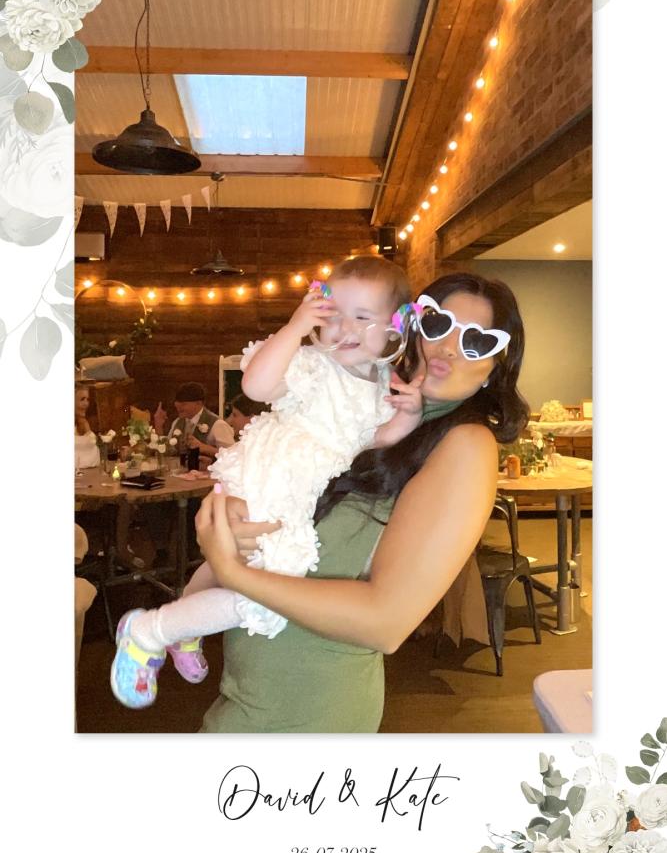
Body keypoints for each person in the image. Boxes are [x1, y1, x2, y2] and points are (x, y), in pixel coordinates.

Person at [192, 270, 530, 733]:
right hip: (248, 692)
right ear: (409, 326)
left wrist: (232, 571)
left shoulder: (465, 445)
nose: (449, 347)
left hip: (309, 712)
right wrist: (233, 509)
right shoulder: (373, 408)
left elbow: (385, 622)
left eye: (476, 342)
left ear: (496, 367)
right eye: (437, 324)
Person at [110, 256, 422, 708]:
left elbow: (372, 441)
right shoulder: (312, 363)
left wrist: (406, 419)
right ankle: (148, 632)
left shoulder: (381, 382)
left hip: (307, 489)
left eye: (362, 317)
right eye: (334, 315)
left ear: (394, 328)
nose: (345, 328)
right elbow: (256, 388)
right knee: (267, 592)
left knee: (230, 561)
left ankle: (181, 626)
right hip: (275, 476)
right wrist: (294, 329)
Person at [153, 382, 234, 462]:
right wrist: (159, 426)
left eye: (183, 404)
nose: (178, 407)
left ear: (199, 403)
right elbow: (167, 451)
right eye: (177, 404)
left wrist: (204, 447)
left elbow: (233, 455)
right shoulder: (177, 422)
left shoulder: (217, 424)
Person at [74, 384, 100, 470]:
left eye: (87, 399)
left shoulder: (83, 422)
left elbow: (92, 443)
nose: (86, 404)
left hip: (92, 471)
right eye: (82, 399)